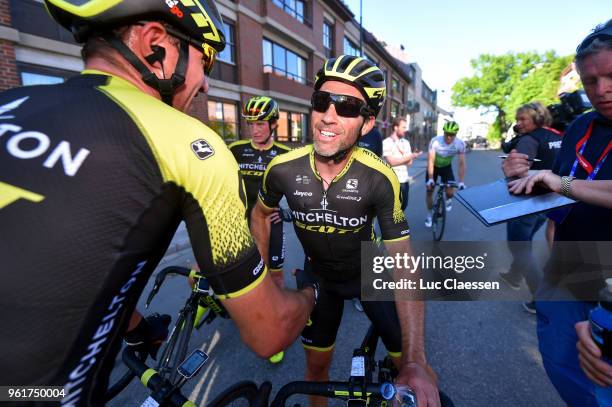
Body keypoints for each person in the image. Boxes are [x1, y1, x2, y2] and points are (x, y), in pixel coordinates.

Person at [0, 1, 315, 404]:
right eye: (205, 62)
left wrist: (135, 329)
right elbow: (269, 330)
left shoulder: (13, 102)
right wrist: (313, 292)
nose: (205, 85)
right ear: (155, 45)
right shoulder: (191, 143)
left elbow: (69, 261)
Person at [251, 55, 440, 407]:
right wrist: (261, 279)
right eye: (321, 101)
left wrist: (416, 360)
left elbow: (404, 263)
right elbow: (261, 215)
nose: (328, 115)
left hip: (369, 274)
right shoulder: (281, 169)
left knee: (410, 367)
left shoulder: (378, 176)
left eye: (347, 107)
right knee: (316, 369)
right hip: (320, 278)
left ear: (367, 124)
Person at [506, 19, 612, 407]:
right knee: (563, 366)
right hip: (568, 270)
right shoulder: (581, 126)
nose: (601, 91)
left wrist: (560, 183)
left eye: (611, 76)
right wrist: (526, 176)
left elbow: (566, 184)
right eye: (590, 81)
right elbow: (562, 182)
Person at [229, 95, 291, 363]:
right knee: (239, 273)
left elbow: (300, 194)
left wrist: (287, 212)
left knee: (275, 278)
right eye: (251, 123)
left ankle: (275, 331)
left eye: (261, 124)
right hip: (241, 224)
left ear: (274, 124)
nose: (255, 129)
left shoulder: (285, 156)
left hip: (270, 223)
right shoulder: (236, 149)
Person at [500, 102, 562, 314]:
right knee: (524, 241)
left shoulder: (529, 139)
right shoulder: (557, 136)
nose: (519, 123)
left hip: (526, 202)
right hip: (549, 201)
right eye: (517, 120)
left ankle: (540, 297)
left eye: (522, 119)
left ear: (536, 118)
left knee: (518, 246)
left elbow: (515, 171)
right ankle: (514, 276)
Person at [424, 121, 466, 228]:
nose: (448, 137)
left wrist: (461, 182)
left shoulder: (460, 144)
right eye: (447, 133)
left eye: (452, 135)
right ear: (444, 132)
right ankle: (429, 215)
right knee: (429, 191)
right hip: (434, 167)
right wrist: (430, 179)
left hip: (446, 168)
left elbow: (461, 163)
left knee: (450, 191)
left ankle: (448, 199)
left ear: (456, 134)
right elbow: (430, 161)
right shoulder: (435, 141)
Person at [383, 117, 422, 211]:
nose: (406, 130)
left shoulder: (406, 143)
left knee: (403, 206)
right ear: (396, 127)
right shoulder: (386, 142)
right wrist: (411, 156)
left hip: (404, 180)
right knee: (391, 209)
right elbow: (392, 162)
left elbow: (409, 163)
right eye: (403, 127)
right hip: (390, 181)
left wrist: (407, 157)